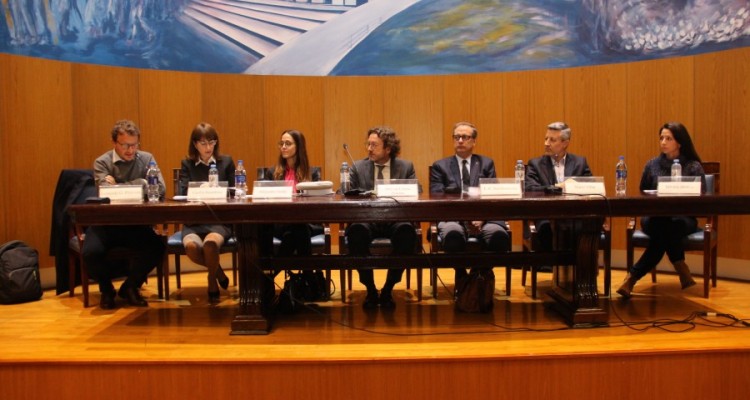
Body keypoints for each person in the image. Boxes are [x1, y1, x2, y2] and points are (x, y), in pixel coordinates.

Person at [83, 119, 166, 309]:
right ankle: (106, 289)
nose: (130, 150)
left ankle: (130, 287)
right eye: (125, 145)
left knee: (157, 247)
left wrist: (120, 186)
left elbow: (160, 188)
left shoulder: (146, 159)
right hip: (107, 225)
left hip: (135, 224)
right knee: (90, 253)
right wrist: (142, 183)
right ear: (114, 143)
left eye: (134, 145)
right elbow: (105, 192)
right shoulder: (102, 162)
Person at [617, 122, 705, 299]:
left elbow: (702, 196)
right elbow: (643, 191)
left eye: (668, 138)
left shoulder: (693, 166)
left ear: (679, 142)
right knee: (663, 225)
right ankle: (680, 266)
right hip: (654, 217)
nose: (663, 142)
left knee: (666, 231)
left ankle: (631, 278)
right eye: (661, 138)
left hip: (683, 219)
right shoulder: (652, 165)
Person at [346, 126, 419, 310]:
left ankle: (388, 288)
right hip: (367, 220)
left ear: (388, 149)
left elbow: (417, 192)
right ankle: (370, 288)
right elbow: (347, 194)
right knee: (356, 231)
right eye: (368, 144)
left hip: (395, 219)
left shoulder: (406, 167)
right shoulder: (357, 167)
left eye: (374, 145)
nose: (369, 149)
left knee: (406, 231)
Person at [429, 122, 511, 282]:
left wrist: (481, 219)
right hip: (452, 217)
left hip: (484, 217)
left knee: (499, 237)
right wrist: (466, 219)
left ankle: (480, 272)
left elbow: (491, 194)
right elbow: (437, 197)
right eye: (457, 137)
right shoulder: (441, 166)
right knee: (453, 236)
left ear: (474, 141)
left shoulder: (486, 163)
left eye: (465, 137)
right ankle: (460, 274)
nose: (460, 140)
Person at [177, 122, 235, 304]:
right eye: (203, 143)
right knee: (192, 248)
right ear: (195, 144)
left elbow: (234, 192)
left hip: (218, 220)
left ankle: (211, 280)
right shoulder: (187, 163)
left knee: (210, 245)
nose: (208, 147)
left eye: (212, 142)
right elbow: (182, 192)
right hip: (194, 221)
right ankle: (217, 271)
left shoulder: (226, 162)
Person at [525, 121, 592, 254]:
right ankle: (551, 266)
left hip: (573, 214)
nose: (546, 143)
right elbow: (530, 188)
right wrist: (557, 187)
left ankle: (581, 267)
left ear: (565, 143)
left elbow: (590, 186)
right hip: (546, 214)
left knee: (587, 225)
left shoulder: (580, 163)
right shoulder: (535, 164)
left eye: (552, 140)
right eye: (545, 138)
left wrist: (571, 187)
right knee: (547, 226)